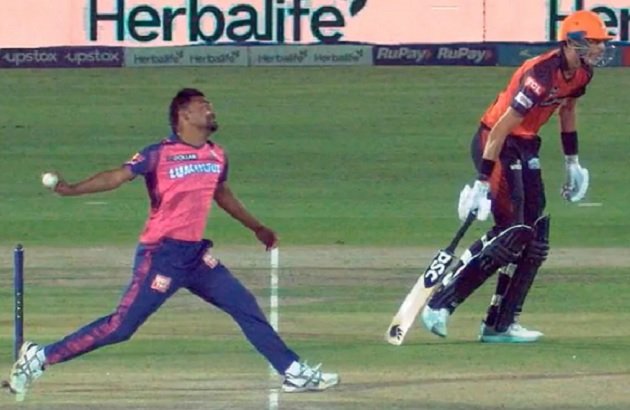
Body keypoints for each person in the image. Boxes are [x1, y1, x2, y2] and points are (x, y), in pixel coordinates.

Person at [4, 88, 339, 401]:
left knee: (244, 305)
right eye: (203, 106)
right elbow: (117, 176)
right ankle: (40, 357)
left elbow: (221, 194)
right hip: (161, 255)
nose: (210, 111)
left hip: (195, 257)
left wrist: (257, 227)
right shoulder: (158, 154)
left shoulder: (217, 155)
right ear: (184, 114)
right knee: (121, 327)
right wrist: (71, 189)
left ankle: (293, 372)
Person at [420, 10, 613, 343]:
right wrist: (482, 181)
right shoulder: (540, 74)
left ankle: (500, 324)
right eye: (594, 42)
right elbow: (499, 129)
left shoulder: (583, 73)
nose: (600, 48)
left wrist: (572, 161)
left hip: (525, 144)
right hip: (497, 142)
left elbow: (567, 109)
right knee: (511, 230)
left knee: (534, 234)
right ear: (573, 42)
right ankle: (440, 304)